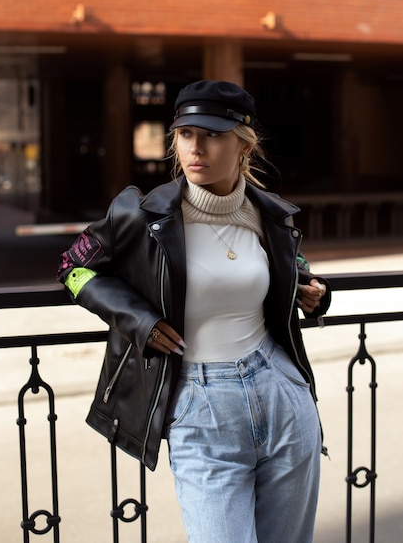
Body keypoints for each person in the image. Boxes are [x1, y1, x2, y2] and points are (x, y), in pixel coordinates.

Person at [57, 79, 331, 543]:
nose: (195, 147)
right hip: (200, 405)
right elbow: (72, 269)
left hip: (283, 394)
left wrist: (318, 295)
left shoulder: (269, 217)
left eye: (213, 135)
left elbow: (298, 272)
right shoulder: (140, 216)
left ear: (243, 146)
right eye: (185, 134)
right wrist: (138, 320)